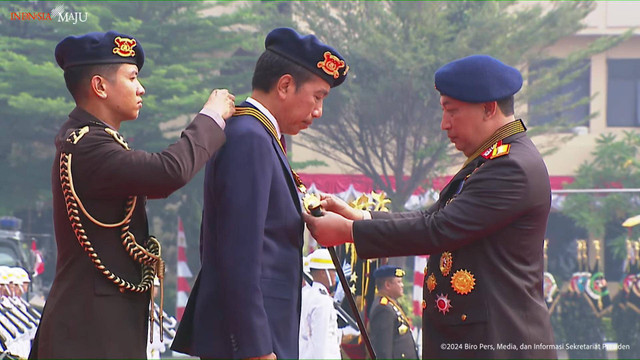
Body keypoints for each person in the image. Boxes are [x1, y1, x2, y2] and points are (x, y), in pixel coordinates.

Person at [304, 54, 557, 359]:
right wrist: (361, 216)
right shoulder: (490, 161)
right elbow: (434, 216)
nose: (444, 124)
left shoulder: (511, 167)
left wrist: (350, 232)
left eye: (452, 111)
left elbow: (439, 229)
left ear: (489, 108)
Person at [30, 30, 235, 359]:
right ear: (100, 86)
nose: (141, 89)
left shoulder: (91, 140)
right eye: (132, 77)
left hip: (98, 327)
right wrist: (210, 117)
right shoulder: (87, 145)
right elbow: (169, 172)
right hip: (88, 334)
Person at [171, 27, 348, 359]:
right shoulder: (250, 138)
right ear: (284, 85)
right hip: (250, 345)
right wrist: (255, 349)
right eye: (318, 96)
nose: (318, 111)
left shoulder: (260, 136)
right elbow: (239, 254)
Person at [368, 265, 418, 360]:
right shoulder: (383, 308)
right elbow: (383, 349)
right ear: (387, 285)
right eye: (399, 282)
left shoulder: (392, 304)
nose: (402, 285)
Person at [299, 249, 340, 359]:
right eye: (333, 271)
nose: (335, 275)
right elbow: (320, 342)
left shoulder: (307, 294)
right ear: (323, 273)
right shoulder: (322, 301)